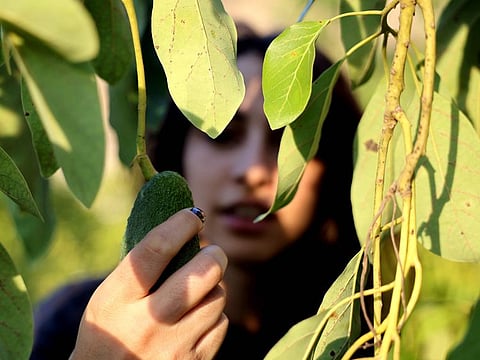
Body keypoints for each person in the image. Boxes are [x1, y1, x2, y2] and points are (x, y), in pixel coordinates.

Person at [30, 23, 363, 359]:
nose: (253, 172)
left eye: (288, 145)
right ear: (179, 153)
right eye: (225, 136)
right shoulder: (74, 325)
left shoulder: (363, 333)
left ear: (333, 169)